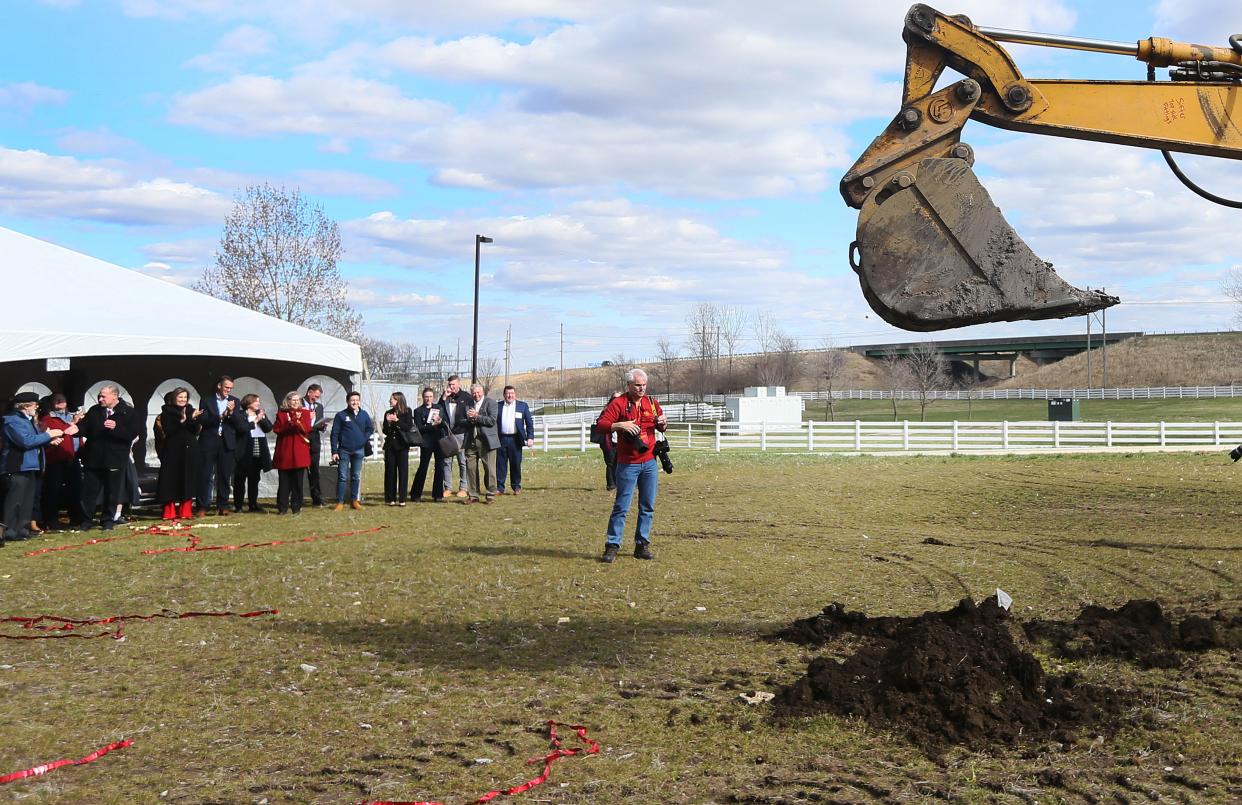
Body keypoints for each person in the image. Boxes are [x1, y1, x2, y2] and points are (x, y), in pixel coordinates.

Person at [595, 369, 667, 563]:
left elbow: (661, 425)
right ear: (628, 385)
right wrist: (620, 425)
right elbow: (601, 424)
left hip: (650, 462)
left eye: (644, 384)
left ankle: (641, 544)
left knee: (648, 505)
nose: (641, 388)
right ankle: (612, 545)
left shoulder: (651, 403)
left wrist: (663, 422)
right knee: (621, 506)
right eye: (637, 385)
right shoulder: (618, 403)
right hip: (628, 463)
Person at [2, 392, 73, 545]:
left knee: (27, 500)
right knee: (15, 501)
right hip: (17, 466)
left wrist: (48, 442)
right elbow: (25, 441)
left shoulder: (28, 421)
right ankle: (9, 531)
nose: (37, 408)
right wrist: (48, 436)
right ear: (26, 406)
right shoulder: (12, 421)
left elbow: (34, 440)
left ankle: (22, 529)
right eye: (35, 405)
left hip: (32, 465)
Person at [77, 384, 140, 531]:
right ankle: (86, 521)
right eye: (99, 396)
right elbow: (85, 428)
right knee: (89, 492)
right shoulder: (94, 411)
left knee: (112, 492)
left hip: (115, 459)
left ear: (114, 396)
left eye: (103, 396)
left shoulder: (128, 413)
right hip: (94, 458)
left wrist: (116, 428)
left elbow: (133, 434)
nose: (100, 399)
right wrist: (76, 429)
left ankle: (107, 520)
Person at [197, 376, 243, 516]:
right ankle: (202, 506)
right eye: (226, 387)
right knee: (205, 475)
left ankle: (223, 505)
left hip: (226, 441)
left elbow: (238, 423)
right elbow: (203, 420)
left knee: (224, 475)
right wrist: (221, 416)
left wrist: (230, 413)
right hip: (209, 441)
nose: (228, 390)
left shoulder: (234, 401)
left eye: (230, 388)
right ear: (219, 386)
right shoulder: (206, 400)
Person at [39, 393, 86, 529]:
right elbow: (62, 432)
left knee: (76, 488)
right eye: (57, 400)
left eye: (62, 399)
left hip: (73, 457)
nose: (60, 402)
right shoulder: (48, 419)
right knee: (53, 489)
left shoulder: (72, 416)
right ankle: (51, 519)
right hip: (56, 458)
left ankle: (77, 517)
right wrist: (73, 424)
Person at [155, 387, 202, 521]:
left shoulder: (191, 411)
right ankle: (169, 511)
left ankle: (185, 511)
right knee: (170, 480)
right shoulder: (166, 413)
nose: (183, 400)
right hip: (172, 450)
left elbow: (195, 430)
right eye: (180, 397)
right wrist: (182, 422)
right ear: (174, 398)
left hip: (190, 449)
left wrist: (192, 419)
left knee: (188, 478)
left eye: (185, 397)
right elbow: (169, 431)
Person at [272, 390, 313, 515]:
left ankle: (296, 507)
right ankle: (282, 507)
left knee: (297, 483)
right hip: (285, 451)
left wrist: (298, 422)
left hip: (299, 451)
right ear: (288, 401)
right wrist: (289, 423)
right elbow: (277, 429)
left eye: (297, 400)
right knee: (284, 483)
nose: (296, 402)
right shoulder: (281, 414)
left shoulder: (305, 413)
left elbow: (307, 429)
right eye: (293, 400)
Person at [330, 391, 373, 511]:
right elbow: (334, 434)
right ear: (348, 401)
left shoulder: (364, 414)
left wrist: (363, 439)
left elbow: (370, 428)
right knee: (342, 476)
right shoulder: (341, 415)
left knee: (356, 476)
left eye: (357, 400)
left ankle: (354, 501)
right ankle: (339, 502)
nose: (355, 402)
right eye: (352, 400)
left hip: (359, 450)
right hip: (344, 450)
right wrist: (334, 451)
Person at [231, 394, 273, 513]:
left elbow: (268, 428)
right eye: (256, 402)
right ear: (248, 403)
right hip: (244, 451)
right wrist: (256, 420)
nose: (258, 404)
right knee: (240, 480)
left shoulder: (261, 413)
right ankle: (238, 505)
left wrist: (262, 419)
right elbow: (241, 428)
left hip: (258, 450)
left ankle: (253, 504)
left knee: (254, 480)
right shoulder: (240, 414)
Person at [462, 383, 499, 504]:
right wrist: (468, 420)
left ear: (482, 391)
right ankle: (473, 495)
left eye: (478, 392)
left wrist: (477, 417)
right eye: (474, 393)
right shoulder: (468, 404)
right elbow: (461, 420)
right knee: (471, 469)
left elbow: (492, 420)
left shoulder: (491, 403)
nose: (476, 395)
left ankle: (490, 493)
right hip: (471, 441)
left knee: (489, 468)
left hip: (486, 441)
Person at [495, 385, 535, 495]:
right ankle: (499, 488)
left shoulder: (522, 406)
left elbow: (529, 423)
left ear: (515, 395)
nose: (510, 395)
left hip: (515, 439)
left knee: (515, 464)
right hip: (501, 439)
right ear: (504, 395)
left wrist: (530, 437)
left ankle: (516, 486)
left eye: (512, 393)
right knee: (500, 465)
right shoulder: (497, 406)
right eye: (507, 393)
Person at [409, 387, 446, 502]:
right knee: (423, 467)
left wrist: (440, 422)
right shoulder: (418, 411)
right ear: (423, 398)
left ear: (433, 397)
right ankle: (416, 494)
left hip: (438, 441)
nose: (428, 399)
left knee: (440, 467)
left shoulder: (439, 408)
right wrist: (432, 426)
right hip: (426, 442)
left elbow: (444, 423)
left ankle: (438, 494)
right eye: (426, 397)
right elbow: (420, 428)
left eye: (430, 397)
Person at [439, 375, 473, 498]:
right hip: (447, 434)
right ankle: (447, 487)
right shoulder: (445, 398)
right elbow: (438, 411)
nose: (451, 387)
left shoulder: (466, 398)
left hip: (461, 434)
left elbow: (470, 416)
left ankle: (463, 487)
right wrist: (443, 398)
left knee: (462, 462)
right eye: (450, 384)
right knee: (447, 462)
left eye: (453, 384)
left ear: (459, 384)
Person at [381, 391, 414, 506]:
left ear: (398, 400)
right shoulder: (388, 412)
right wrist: (389, 423)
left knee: (403, 472)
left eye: (392, 399)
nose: (390, 401)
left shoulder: (407, 412)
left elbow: (408, 427)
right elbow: (385, 430)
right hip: (390, 446)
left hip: (402, 446)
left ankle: (402, 498)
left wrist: (397, 421)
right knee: (390, 472)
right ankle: (390, 498)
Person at [303, 383, 329, 507]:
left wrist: (322, 426)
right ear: (309, 392)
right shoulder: (299, 404)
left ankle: (317, 497)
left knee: (314, 470)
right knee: (299, 471)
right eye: (315, 396)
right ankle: (296, 496)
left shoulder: (319, 407)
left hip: (314, 440)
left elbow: (318, 423)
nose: (316, 399)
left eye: (318, 397)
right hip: (301, 440)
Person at [595, 392, 623, 492]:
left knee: (621, 463)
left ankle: (620, 483)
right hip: (608, 442)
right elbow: (600, 423)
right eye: (614, 398)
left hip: (620, 442)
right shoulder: (606, 411)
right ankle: (611, 485)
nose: (616, 400)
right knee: (611, 463)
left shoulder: (622, 410)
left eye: (619, 398)